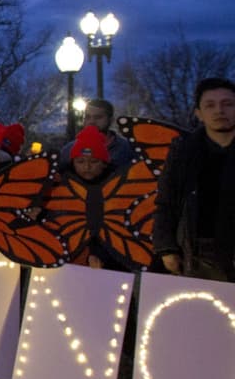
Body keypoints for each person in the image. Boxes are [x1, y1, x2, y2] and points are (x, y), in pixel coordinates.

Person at [154, 77, 235, 281]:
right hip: (197, 252)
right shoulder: (183, 152)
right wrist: (166, 248)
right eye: (210, 105)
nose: (219, 111)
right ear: (199, 113)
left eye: (227, 104)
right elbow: (166, 201)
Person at [62, 125, 126, 271]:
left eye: (94, 161)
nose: (87, 167)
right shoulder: (63, 185)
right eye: (81, 162)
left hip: (109, 262)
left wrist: (100, 253)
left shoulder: (117, 186)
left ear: (104, 163)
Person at [60, 99, 134, 174]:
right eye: (87, 117)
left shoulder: (127, 149)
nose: (91, 121)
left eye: (98, 117)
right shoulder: (69, 150)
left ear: (111, 120)